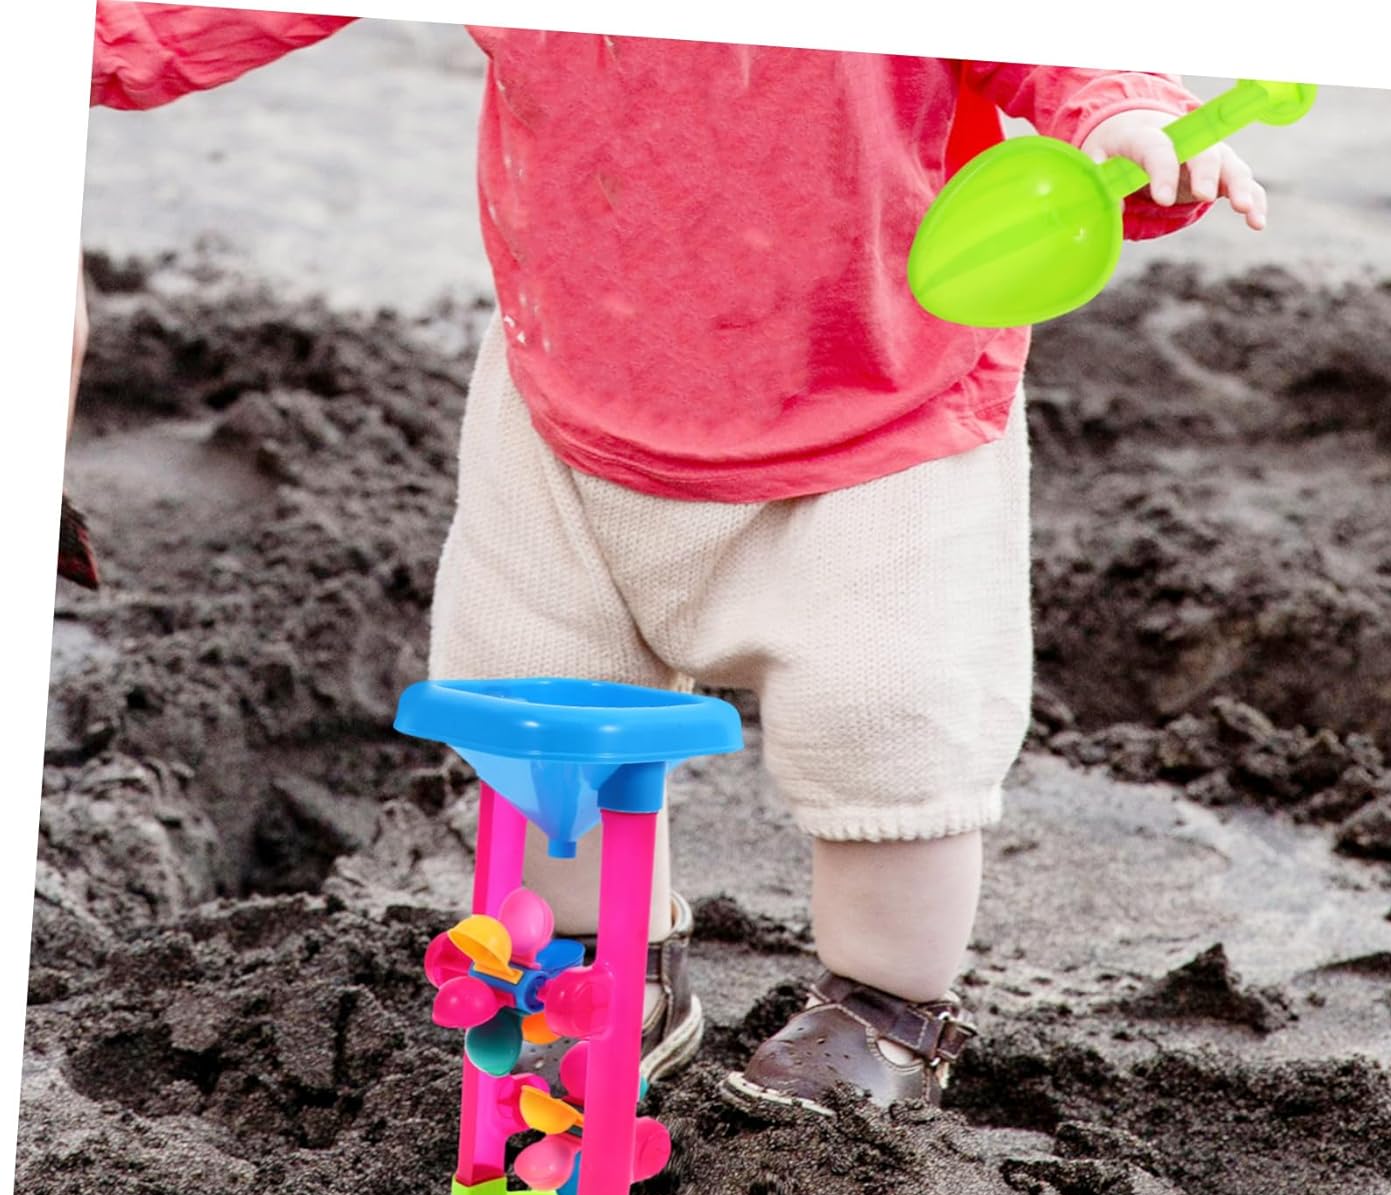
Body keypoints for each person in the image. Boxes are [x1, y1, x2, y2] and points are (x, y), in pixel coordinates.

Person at [85, 9, 1268, 1116]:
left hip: (878, 396)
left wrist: (1122, 110)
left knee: (890, 711)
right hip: (578, 386)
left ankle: (885, 1008)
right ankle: (599, 964)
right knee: (540, 695)